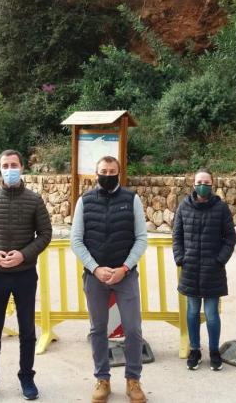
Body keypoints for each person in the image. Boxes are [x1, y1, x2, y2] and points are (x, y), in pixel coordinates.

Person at [0, 149, 52, 402]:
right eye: (5, 165)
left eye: (14, 165)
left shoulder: (34, 200)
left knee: (27, 330)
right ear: (0, 169)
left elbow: (45, 234)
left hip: (24, 275)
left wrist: (23, 255)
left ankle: (27, 377)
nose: (10, 169)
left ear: (22, 167)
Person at [71, 156, 148, 403]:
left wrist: (124, 268)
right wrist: (95, 268)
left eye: (112, 171)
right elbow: (76, 240)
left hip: (125, 275)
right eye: (103, 171)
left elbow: (141, 238)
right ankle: (102, 378)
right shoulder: (84, 201)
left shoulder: (132, 199)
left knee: (133, 329)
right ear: (96, 174)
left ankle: (133, 379)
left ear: (119, 173)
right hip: (95, 277)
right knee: (98, 329)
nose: (107, 175)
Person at [172, 167, 236, 371]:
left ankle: (214, 351)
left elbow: (230, 237)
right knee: (192, 312)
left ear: (212, 185)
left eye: (207, 183)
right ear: (193, 184)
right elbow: (177, 235)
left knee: (211, 313)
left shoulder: (221, 208)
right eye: (199, 182)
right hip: (190, 269)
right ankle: (195, 350)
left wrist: (220, 259)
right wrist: (180, 258)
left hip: (212, 270)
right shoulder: (184, 206)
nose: (203, 186)